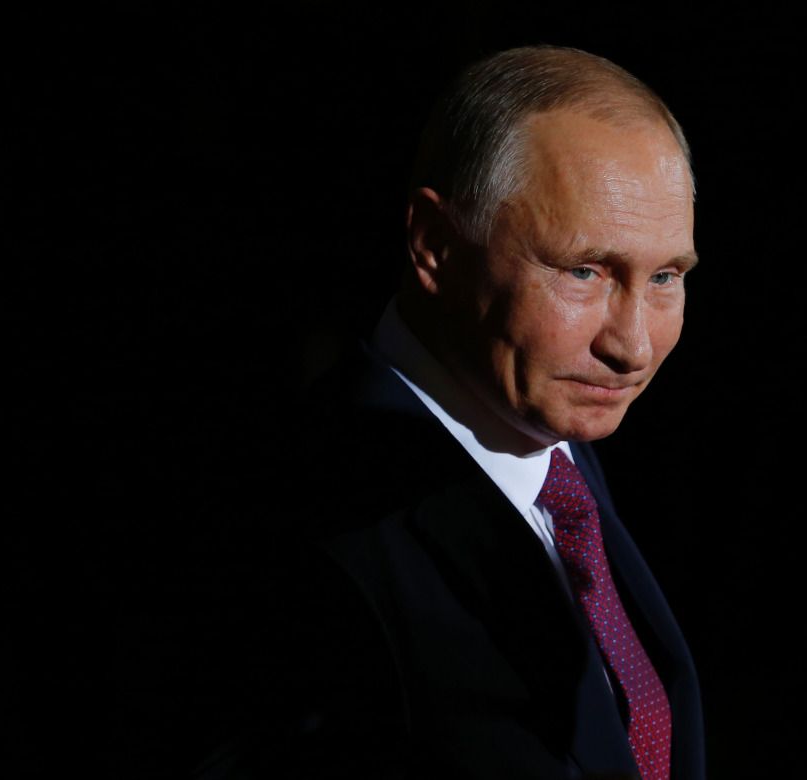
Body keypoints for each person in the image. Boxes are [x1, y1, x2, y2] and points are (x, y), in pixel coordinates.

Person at [197, 45, 704, 780]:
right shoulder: (312, 538)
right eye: (583, 271)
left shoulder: (553, 438)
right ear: (435, 246)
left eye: (664, 276)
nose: (630, 345)